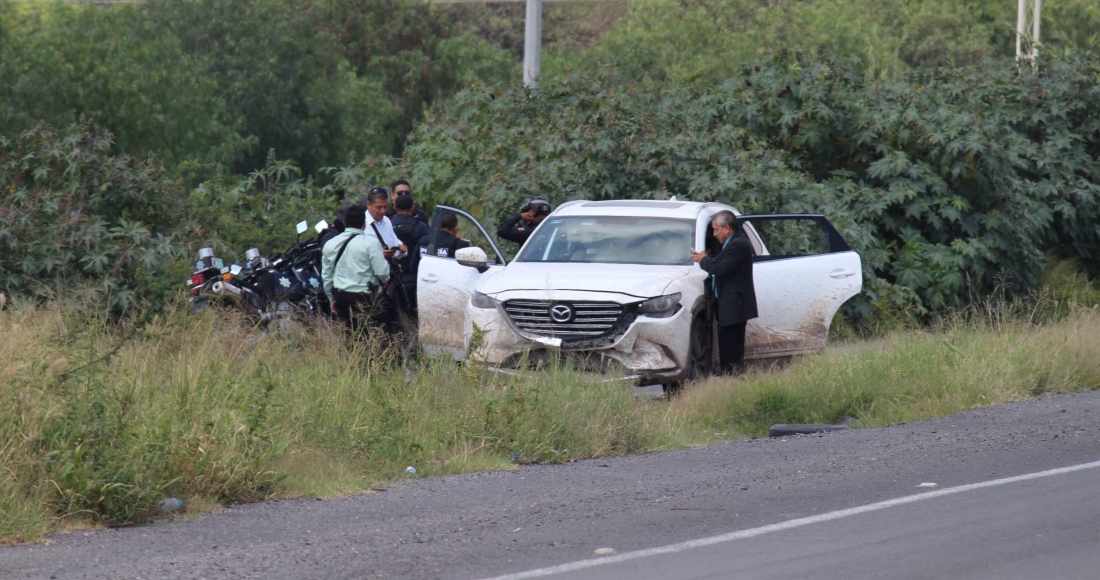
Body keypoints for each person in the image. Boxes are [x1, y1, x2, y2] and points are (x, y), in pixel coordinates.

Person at [690, 210, 758, 375]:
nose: (714, 234)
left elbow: (720, 269)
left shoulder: (739, 244)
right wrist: (707, 258)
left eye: (716, 230)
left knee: (732, 350)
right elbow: (721, 263)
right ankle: (730, 378)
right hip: (728, 307)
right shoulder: (730, 244)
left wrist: (703, 261)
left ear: (727, 228)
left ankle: (734, 380)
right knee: (726, 348)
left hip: (735, 307)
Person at [320, 204, 390, 333]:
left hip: (340, 296)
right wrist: (384, 282)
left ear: (345, 223)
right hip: (365, 298)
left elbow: (327, 276)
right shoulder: (371, 243)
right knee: (372, 335)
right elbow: (382, 272)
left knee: (347, 336)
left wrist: (331, 299)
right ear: (364, 224)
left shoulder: (330, 244)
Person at [390, 194, 429, 312]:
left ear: (395, 208)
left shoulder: (386, 225)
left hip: (391, 280)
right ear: (412, 208)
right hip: (414, 279)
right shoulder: (420, 226)